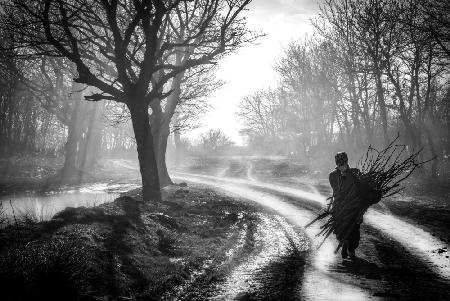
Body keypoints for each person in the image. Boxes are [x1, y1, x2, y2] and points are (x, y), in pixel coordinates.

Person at [328, 152, 361, 260]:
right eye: (339, 163)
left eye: (343, 162)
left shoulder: (355, 173)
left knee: (355, 229)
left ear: (347, 161)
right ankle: (345, 243)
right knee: (340, 229)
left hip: (353, 207)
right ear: (336, 163)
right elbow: (338, 191)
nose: (341, 164)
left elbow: (360, 189)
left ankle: (351, 248)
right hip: (339, 207)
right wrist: (343, 177)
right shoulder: (332, 175)